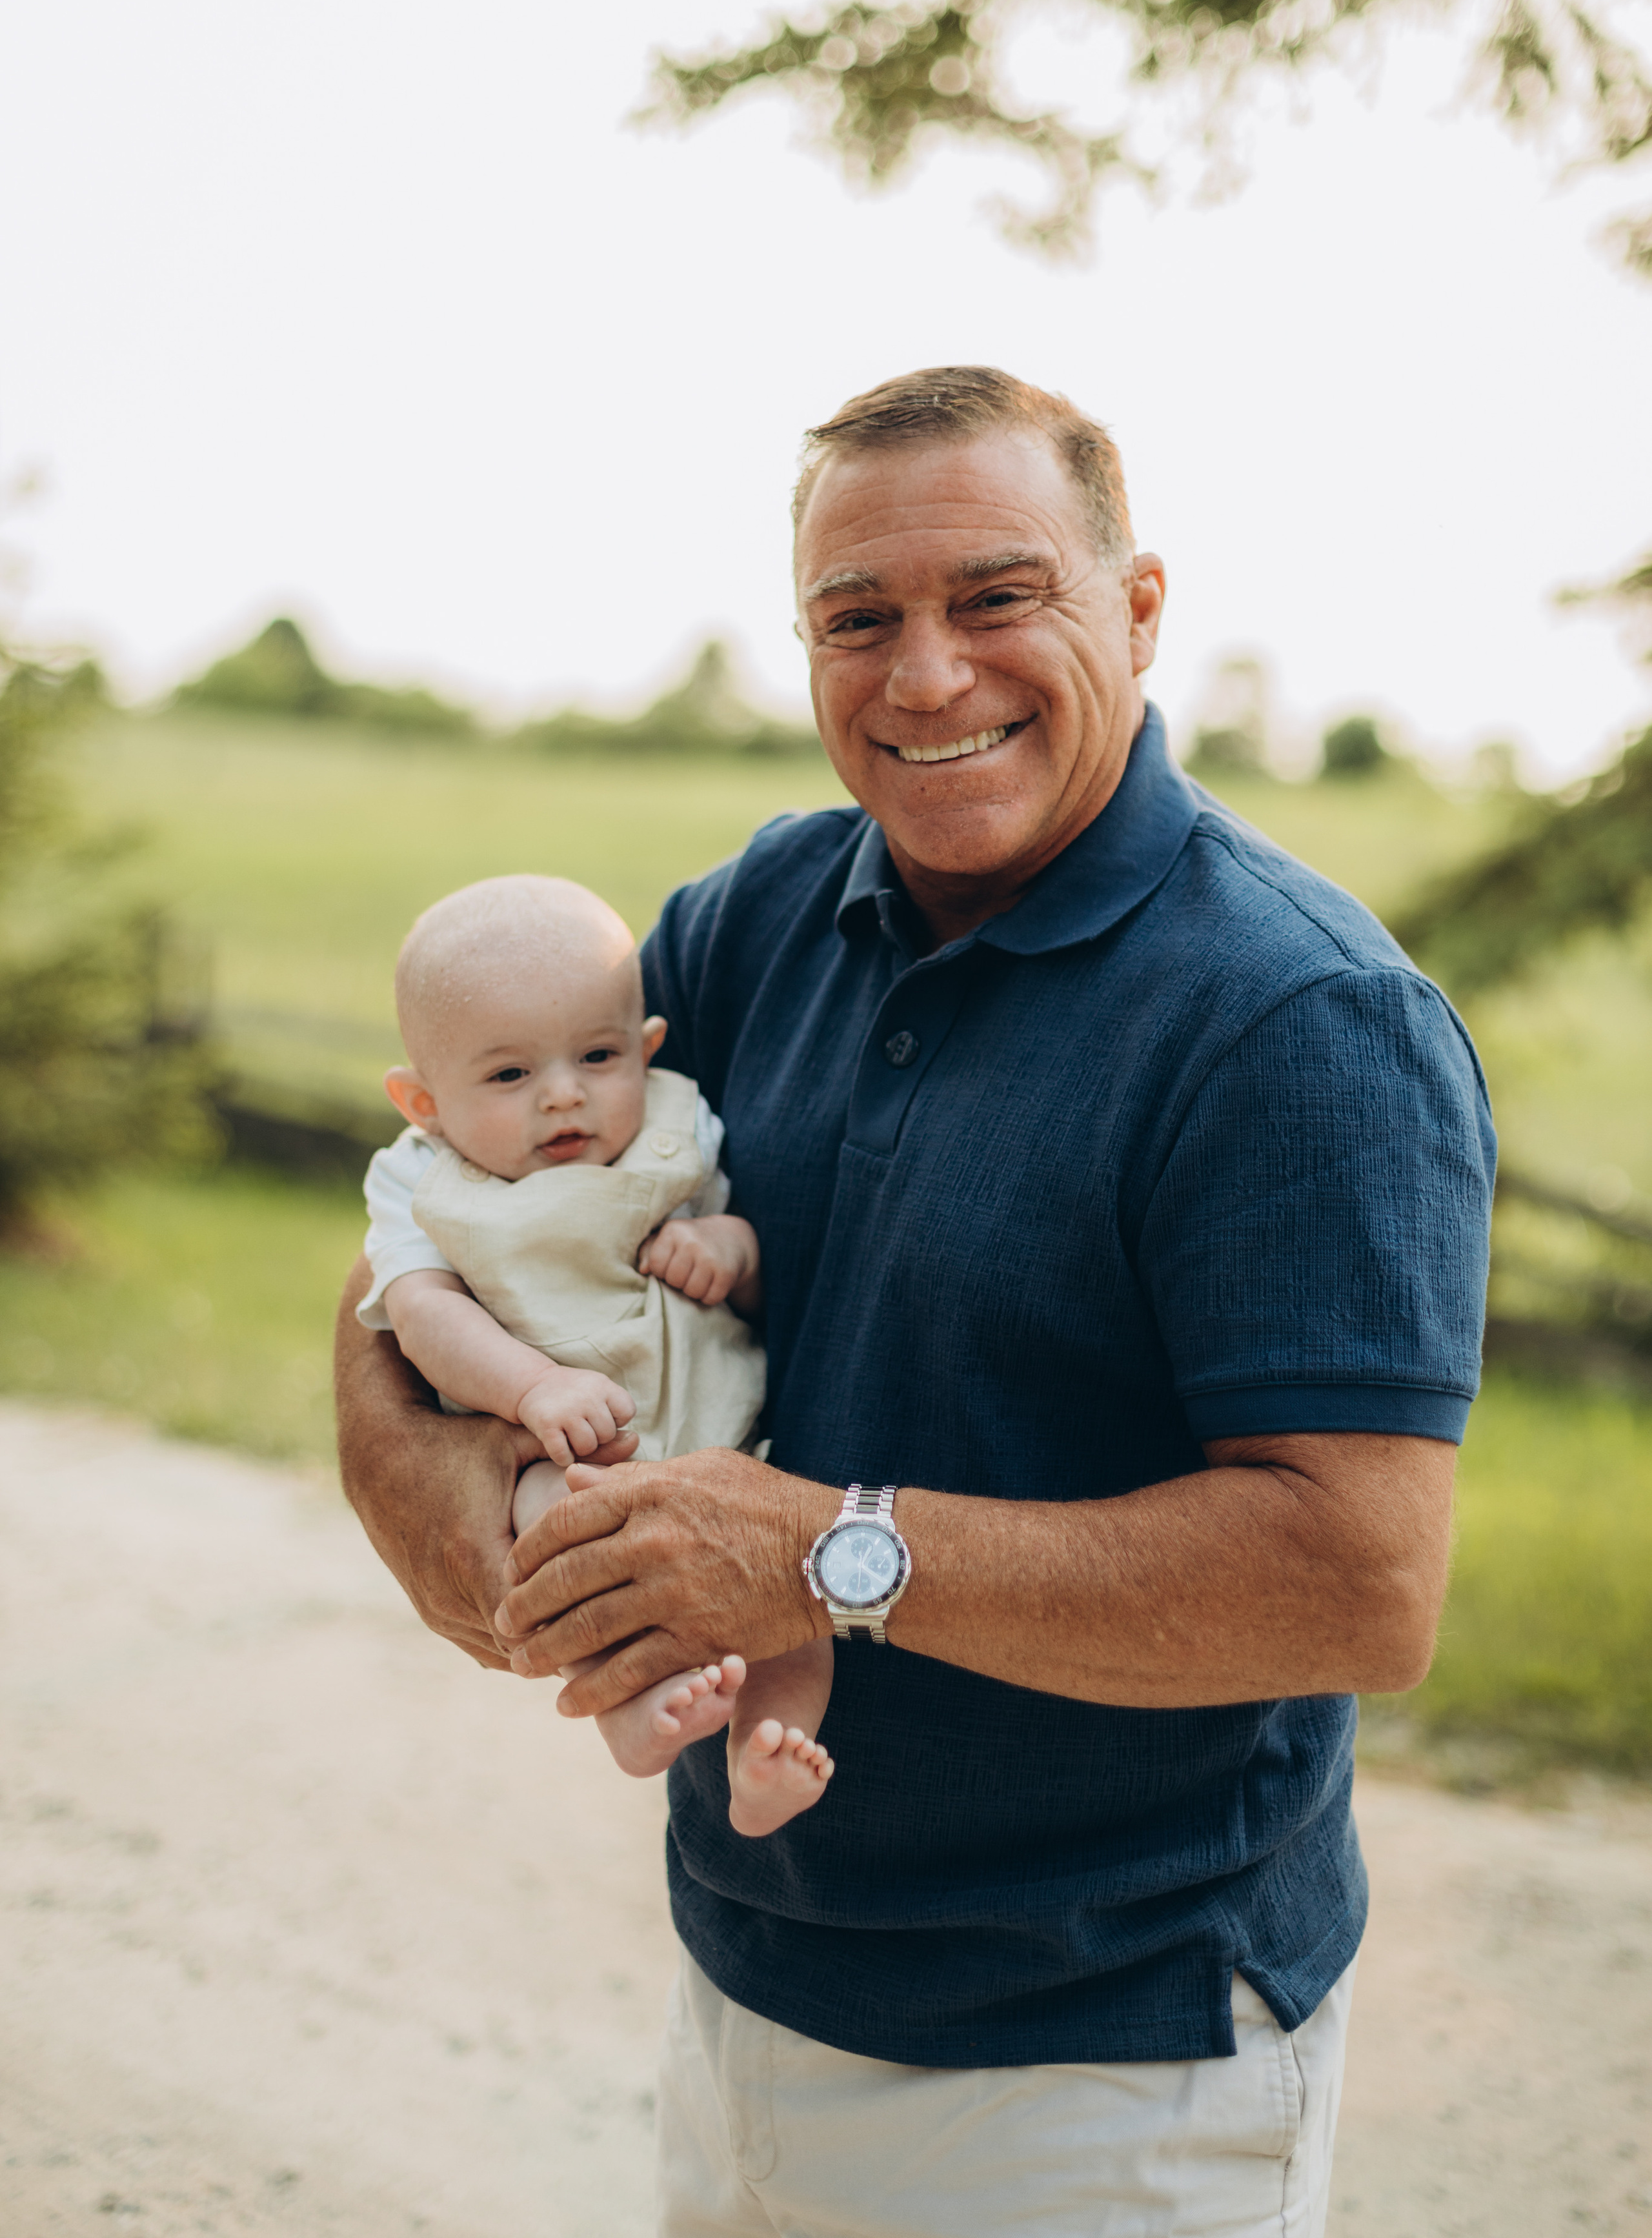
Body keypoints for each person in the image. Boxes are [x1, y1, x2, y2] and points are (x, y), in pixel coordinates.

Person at [335, 366, 1495, 2238]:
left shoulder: (1302, 1022)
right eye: (857, 618)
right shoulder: (761, 914)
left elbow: (1358, 1583)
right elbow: (444, 1221)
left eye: (997, 597)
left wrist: (823, 1554)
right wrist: (462, 1520)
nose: (927, 676)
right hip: (743, 1975)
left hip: (1101, 2069)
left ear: (1138, 608)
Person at [357, 870, 836, 1834]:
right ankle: (631, 1714)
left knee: (804, 1597)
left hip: (731, 1446)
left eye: (599, 1056)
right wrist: (533, 1388)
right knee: (559, 1539)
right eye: (509, 1076)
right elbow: (422, 1313)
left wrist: (727, 1251)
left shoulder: (673, 1130)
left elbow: (752, 1258)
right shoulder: (421, 1184)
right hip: (566, 1454)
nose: (564, 1095)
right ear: (423, 1102)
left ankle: (766, 1755)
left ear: (647, 1049)